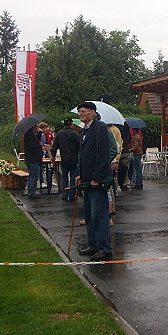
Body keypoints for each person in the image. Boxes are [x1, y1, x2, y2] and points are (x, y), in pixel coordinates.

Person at [76, 102, 112, 261]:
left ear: (92, 112)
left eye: (82, 112)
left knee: (99, 215)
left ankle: (104, 247)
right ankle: (93, 244)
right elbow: (83, 156)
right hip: (87, 180)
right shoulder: (84, 130)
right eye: (79, 112)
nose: (80, 115)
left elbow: (102, 155)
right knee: (89, 215)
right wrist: (80, 175)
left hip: (97, 181)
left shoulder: (100, 128)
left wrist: (96, 178)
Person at [50, 117, 81, 201]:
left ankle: (64, 194)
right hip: (74, 159)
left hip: (64, 159)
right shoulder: (76, 134)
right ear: (71, 124)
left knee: (64, 177)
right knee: (73, 177)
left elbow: (54, 147)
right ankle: (71, 195)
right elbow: (80, 147)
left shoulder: (59, 134)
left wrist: (53, 156)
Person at [25, 124, 44, 199]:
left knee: (32, 176)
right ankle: (32, 193)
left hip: (31, 159)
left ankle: (31, 191)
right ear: (34, 127)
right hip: (32, 159)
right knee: (34, 176)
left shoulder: (31, 135)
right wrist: (40, 145)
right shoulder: (29, 135)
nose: (37, 128)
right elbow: (33, 146)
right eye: (37, 127)